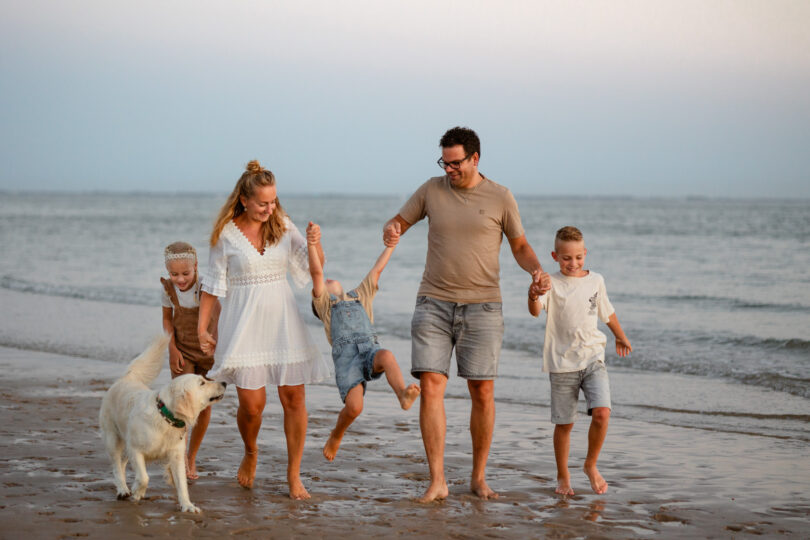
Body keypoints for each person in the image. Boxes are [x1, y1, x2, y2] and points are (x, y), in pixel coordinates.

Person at [383, 126, 551, 502]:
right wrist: (392, 228)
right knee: (431, 387)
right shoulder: (430, 190)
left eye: (455, 162)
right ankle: (438, 480)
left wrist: (536, 271)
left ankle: (478, 477)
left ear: (475, 159)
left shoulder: (501, 197)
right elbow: (399, 221)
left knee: (483, 391)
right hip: (433, 302)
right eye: (444, 161)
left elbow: (520, 245)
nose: (449, 169)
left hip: (484, 306)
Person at [197, 160, 330, 499]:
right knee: (252, 406)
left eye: (273, 202)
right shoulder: (225, 236)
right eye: (262, 203)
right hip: (243, 327)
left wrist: (314, 242)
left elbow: (315, 267)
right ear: (243, 199)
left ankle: (293, 474)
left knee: (294, 398)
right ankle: (251, 451)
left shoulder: (283, 224)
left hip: (283, 324)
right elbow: (212, 287)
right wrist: (202, 329)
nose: (269, 209)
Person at [528, 226, 632, 496]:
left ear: (585, 254)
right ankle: (563, 475)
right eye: (565, 258)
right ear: (555, 256)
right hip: (562, 363)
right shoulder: (549, 282)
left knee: (602, 413)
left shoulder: (596, 280)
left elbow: (606, 312)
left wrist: (620, 336)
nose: (572, 263)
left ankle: (590, 464)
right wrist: (533, 293)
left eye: (577, 257)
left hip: (593, 357)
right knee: (565, 424)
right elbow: (535, 311)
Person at [305, 222, 420, 462]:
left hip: (369, 351)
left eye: (328, 281)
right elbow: (316, 272)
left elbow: (377, 271)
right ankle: (337, 434)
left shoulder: (361, 295)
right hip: (347, 362)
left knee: (387, 355)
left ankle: (402, 394)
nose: (327, 280)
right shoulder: (326, 307)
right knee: (355, 408)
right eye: (324, 286)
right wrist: (313, 243)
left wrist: (391, 246)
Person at [160, 241, 221, 480]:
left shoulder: (206, 285)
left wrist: (214, 345)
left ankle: (191, 457)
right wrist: (172, 349)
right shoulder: (168, 289)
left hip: (209, 351)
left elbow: (217, 316)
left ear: (196, 266)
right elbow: (167, 321)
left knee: (203, 405)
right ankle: (179, 456)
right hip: (183, 351)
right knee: (182, 404)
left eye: (185, 273)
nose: (180, 279)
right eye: (174, 274)